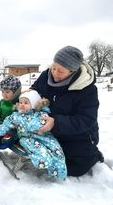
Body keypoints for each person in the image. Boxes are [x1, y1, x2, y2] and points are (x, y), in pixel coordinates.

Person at [29, 45, 104, 177]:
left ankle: (94, 155)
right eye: (54, 68)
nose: (55, 73)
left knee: (73, 168)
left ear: (72, 71)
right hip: (48, 128)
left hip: (79, 135)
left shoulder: (87, 90)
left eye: (61, 71)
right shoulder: (46, 75)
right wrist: (30, 95)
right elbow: (36, 90)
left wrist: (56, 123)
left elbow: (86, 120)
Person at [0, 90, 67, 180]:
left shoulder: (42, 114)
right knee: (39, 150)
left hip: (44, 136)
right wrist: (0, 129)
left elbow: (42, 123)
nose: (22, 104)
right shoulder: (16, 116)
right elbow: (7, 122)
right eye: (21, 102)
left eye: (26, 103)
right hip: (28, 138)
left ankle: (58, 173)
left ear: (33, 104)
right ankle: (43, 161)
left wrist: (34, 124)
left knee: (56, 150)